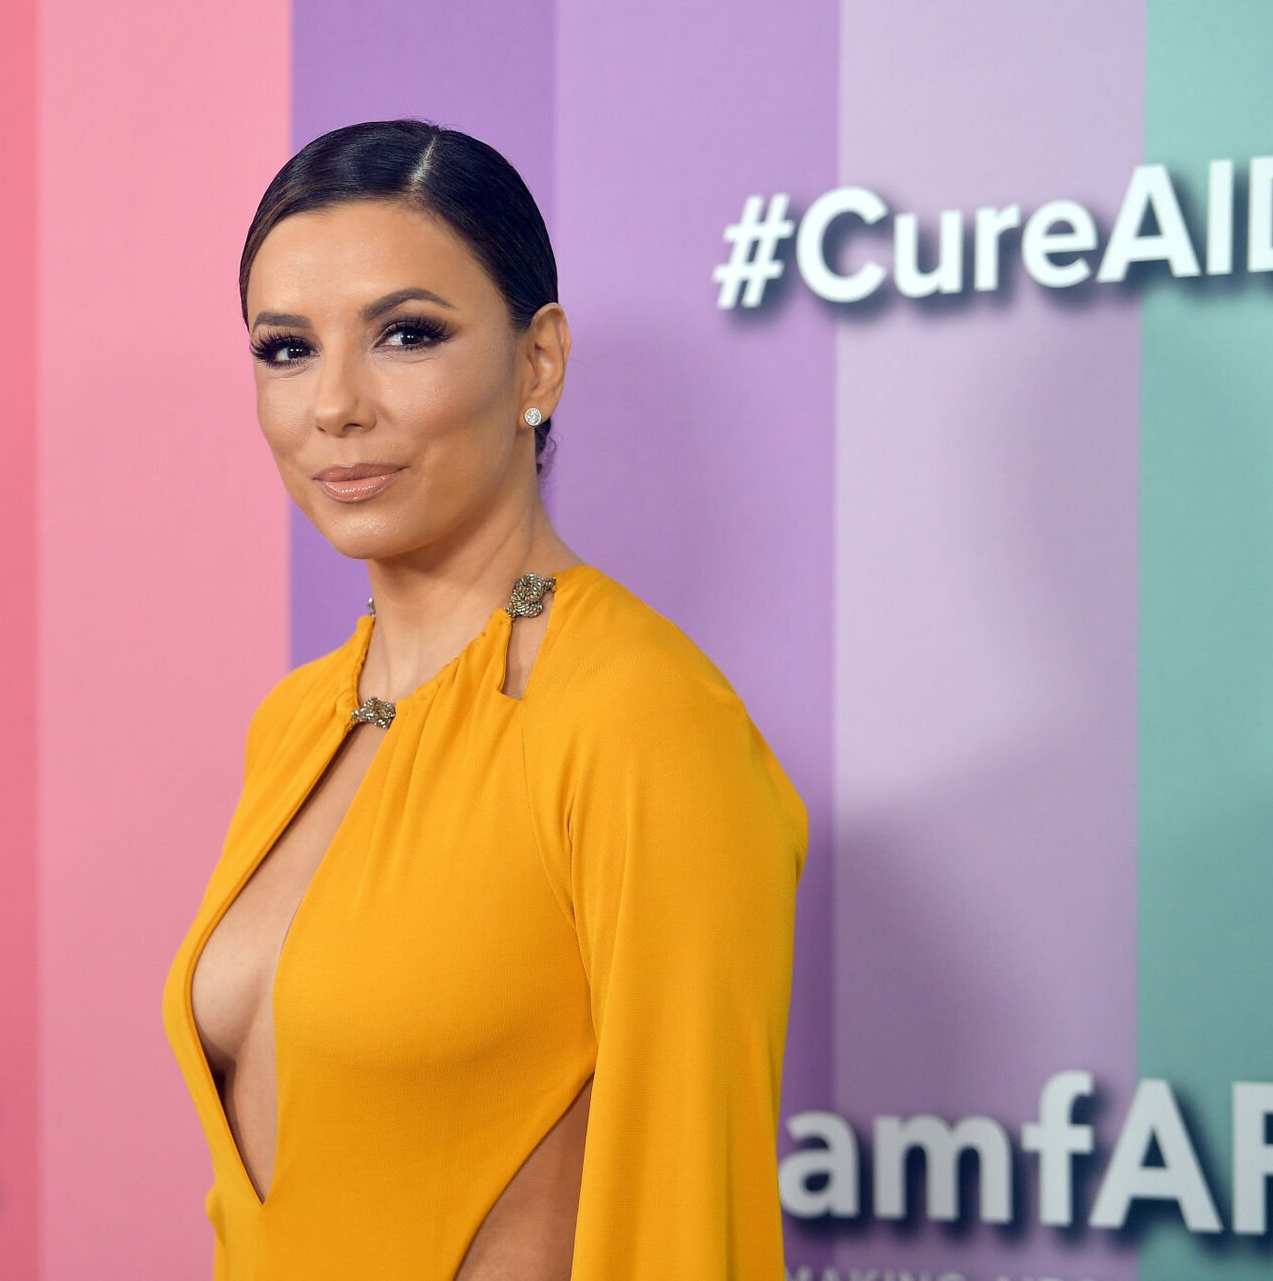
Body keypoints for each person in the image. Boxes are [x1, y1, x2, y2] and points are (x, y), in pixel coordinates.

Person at [159, 116, 808, 1279]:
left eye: (406, 335)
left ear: (538, 361)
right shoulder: (298, 719)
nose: (335, 404)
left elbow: (686, 1221)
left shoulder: (640, 720)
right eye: (286, 349)